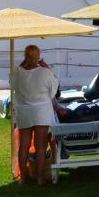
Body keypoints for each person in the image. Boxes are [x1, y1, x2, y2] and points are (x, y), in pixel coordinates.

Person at [11, 44, 60, 185]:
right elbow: (53, 90)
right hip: (41, 112)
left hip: (24, 112)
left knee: (24, 145)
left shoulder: (17, 72)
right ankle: (39, 177)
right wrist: (48, 68)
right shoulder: (45, 72)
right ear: (38, 56)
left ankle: (24, 178)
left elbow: (13, 86)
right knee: (40, 146)